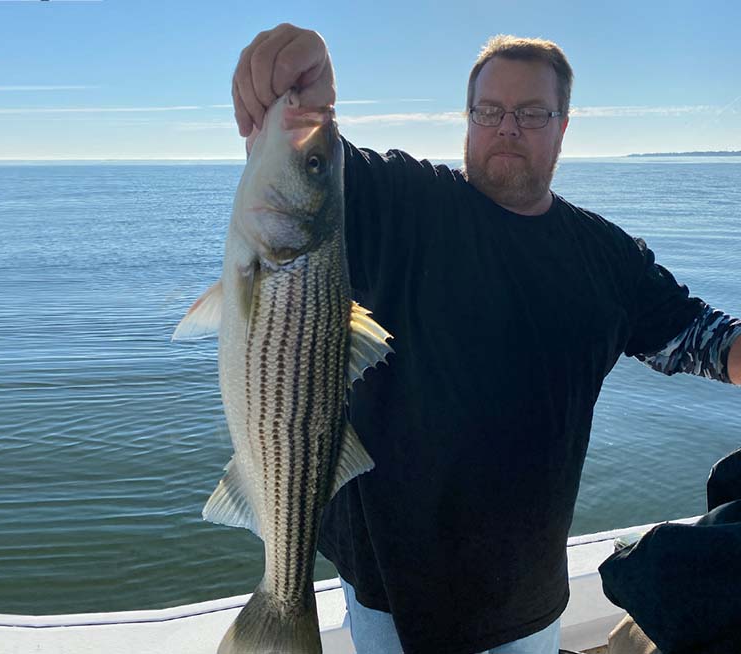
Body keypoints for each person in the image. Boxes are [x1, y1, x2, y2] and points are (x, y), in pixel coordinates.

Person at [231, 23, 741, 654]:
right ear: (467, 119)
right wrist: (308, 98)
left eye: (531, 112)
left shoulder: (608, 257)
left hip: (524, 599)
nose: (507, 127)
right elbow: (318, 173)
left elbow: (704, 338)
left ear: (563, 125)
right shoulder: (407, 201)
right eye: (490, 110)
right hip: (387, 592)